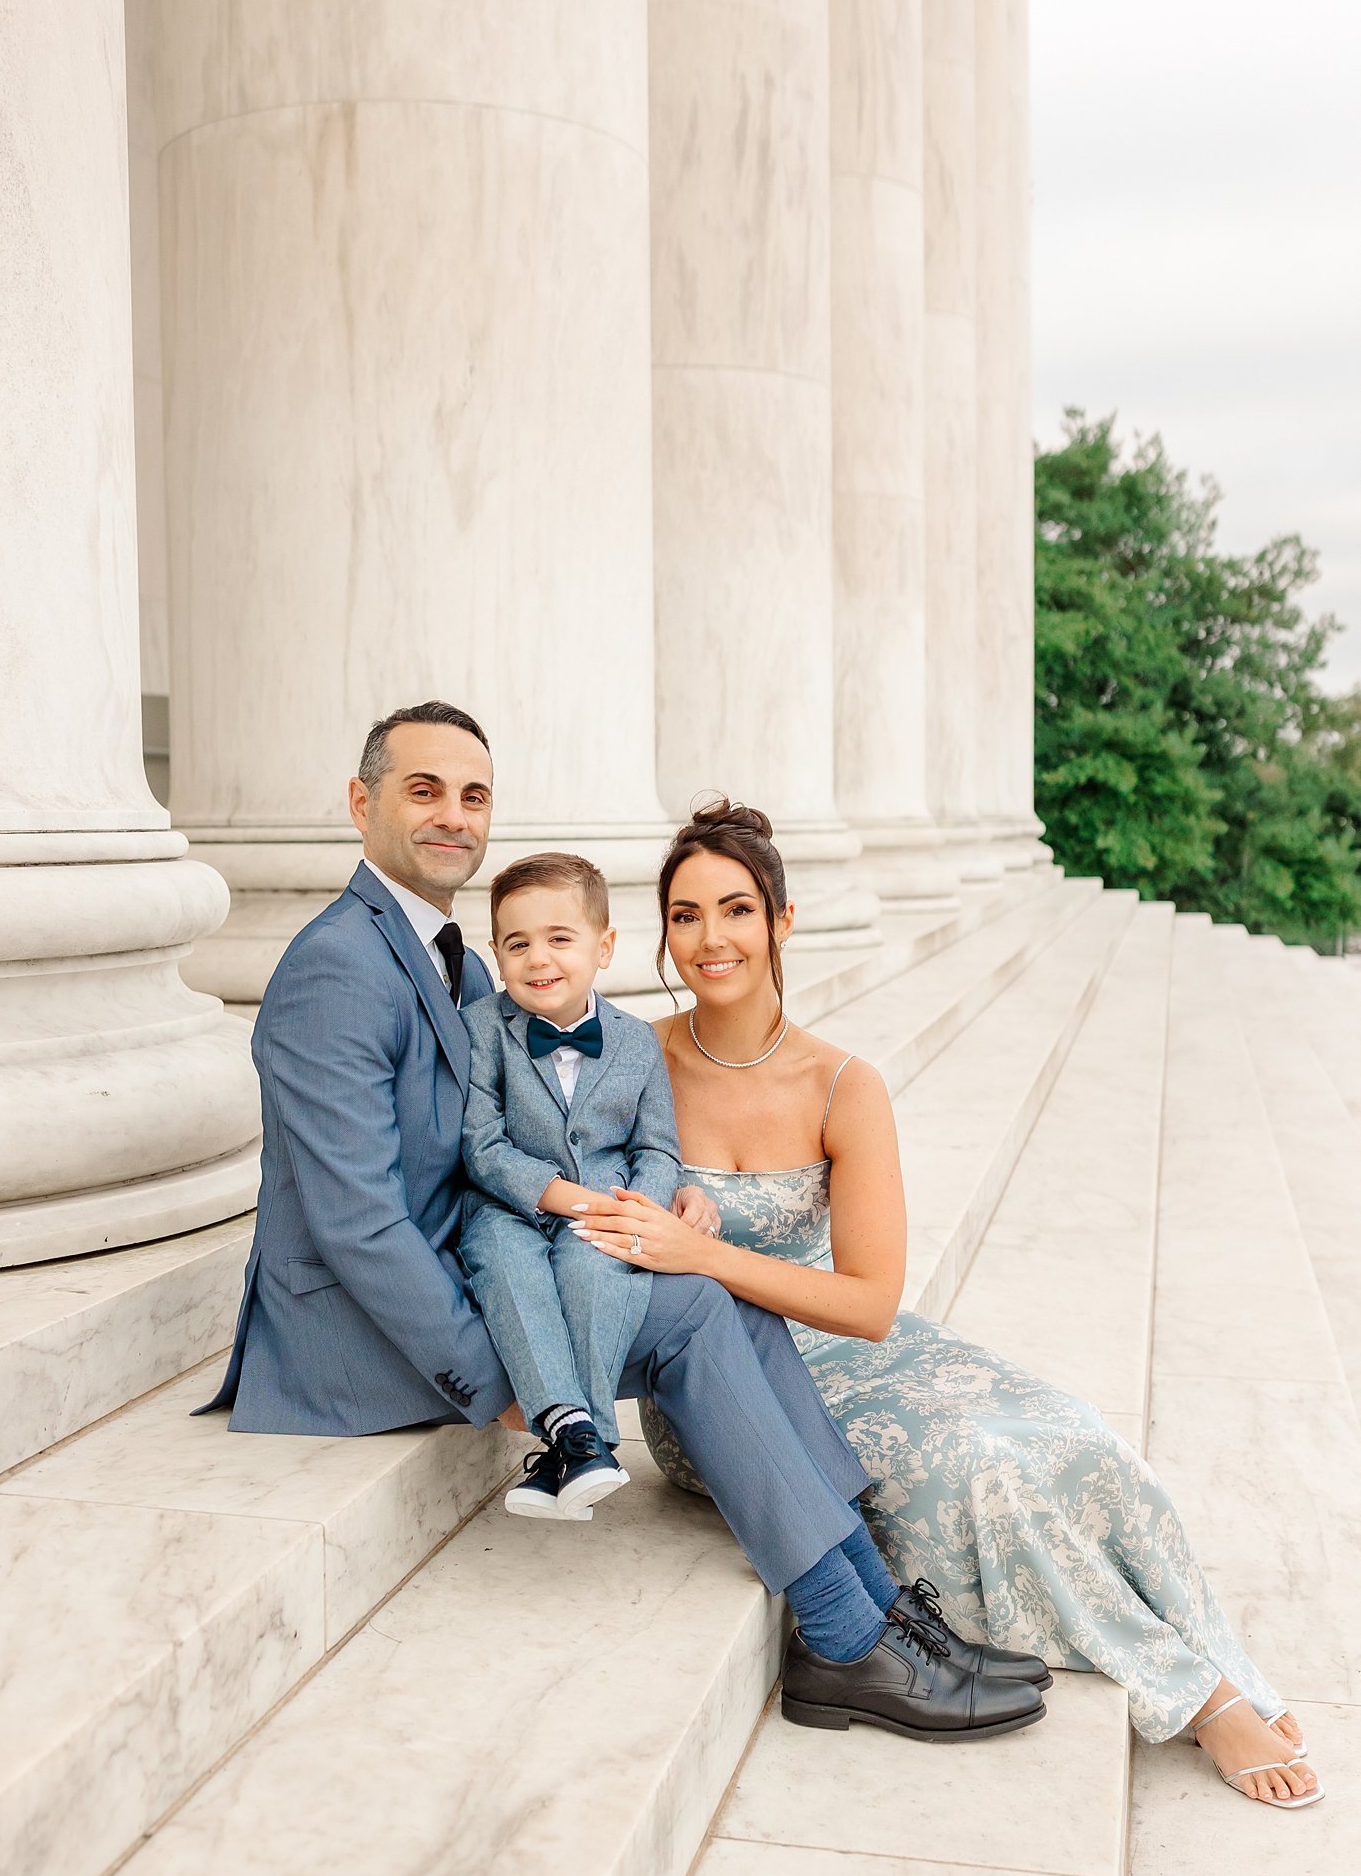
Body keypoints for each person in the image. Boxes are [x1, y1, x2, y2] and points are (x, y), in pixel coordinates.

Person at [197, 702, 1045, 1742]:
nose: (453, 816)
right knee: (696, 1303)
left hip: (483, 1258)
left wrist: (663, 1199)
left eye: (474, 795)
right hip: (356, 1331)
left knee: (724, 1299)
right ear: (361, 802)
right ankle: (841, 1629)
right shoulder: (336, 965)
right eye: (424, 790)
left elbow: (511, 1143)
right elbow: (356, 1224)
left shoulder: (461, 960)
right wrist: (506, 1377)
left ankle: (872, 1611)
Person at [572, 800, 1324, 1808]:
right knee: (980, 1468)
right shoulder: (633, 1061)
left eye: (737, 910)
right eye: (687, 915)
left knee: (1075, 1434)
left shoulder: (844, 1083)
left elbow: (872, 1304)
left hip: (846, 1343)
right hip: (720, 1384)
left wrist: (704, 1255)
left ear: (781, 923)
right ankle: (1196, 1696)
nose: (712, 939)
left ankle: (1215, 1649)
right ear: (664, 932)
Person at [459, 853, 682, 1520]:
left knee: (592, 1270)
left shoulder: (638, 1043)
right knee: (506, 1266)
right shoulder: (480, 1030)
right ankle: (583, 1437)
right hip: (509, 1206)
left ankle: (570, 1449)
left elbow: (659, 1147)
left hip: (610, 1210)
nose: (538, 959)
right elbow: (481, 1143)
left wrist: (641, 1211)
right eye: (518, 944)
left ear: (604, 947)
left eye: (560, 938)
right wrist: (566, 1198)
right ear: (496, 955)